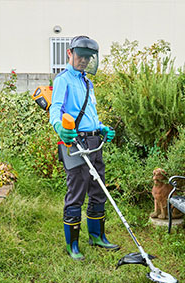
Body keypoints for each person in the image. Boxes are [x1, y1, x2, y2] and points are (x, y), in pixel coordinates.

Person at [49, 35, 119, 260]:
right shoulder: (64, 80)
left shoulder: (87, 82)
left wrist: (101, 128)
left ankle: (97, 236)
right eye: (81, 56)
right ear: (70, 53)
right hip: (75, 143)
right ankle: (73, 245)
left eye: (89, 57)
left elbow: (89, 113)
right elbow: (55, 108)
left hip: (94, 142)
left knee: (98, 190)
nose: (84, 60)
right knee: (76, 194)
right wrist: (60, 127)